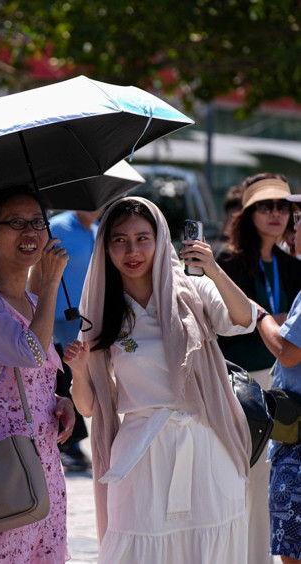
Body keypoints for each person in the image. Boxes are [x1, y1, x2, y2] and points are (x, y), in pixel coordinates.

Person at [64, 197, 255, 563]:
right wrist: (79, 369)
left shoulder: (193, 291)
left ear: (161, 239)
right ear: (105, 246)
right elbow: (90, 407)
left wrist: (213, 269)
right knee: (137, 548)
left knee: (209, 548)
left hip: (206, 446)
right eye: (119, 240)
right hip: (140, 455)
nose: (132, 250)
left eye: (142, 238)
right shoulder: (100, 310)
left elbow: (243, 318)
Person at [0, 186, 75, 563]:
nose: (31, 233)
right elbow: (31, 353)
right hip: (2, 463)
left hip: (45, 462)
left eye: (38, 223)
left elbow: (38, 379)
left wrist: (62, 401)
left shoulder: (36, 304)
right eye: (17, 223)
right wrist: (52, 278)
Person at [216, 173, 301, 564]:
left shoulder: (293, 264)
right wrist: (269, 321)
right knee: (240, 480)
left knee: (271, 485)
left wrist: (268, 321)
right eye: (266, 206)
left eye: (284, 206)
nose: (277, 214)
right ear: (248, 213)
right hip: (242, 384)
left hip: (284, 389)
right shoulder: (227, 263)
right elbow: (219, 329)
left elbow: (288, 343)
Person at [29, 208, 101, 473]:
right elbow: (37, 270)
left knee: (80, 375)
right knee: (64, 376)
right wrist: (35, 310)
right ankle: (68, 443)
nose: (94, 208)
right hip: (57, 318)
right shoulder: (57, 226)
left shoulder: (96, 230)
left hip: (84, 319)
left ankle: (72, 441)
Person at [256, 196, 301, 563]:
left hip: (298, 443)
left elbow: (288, 351)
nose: (294, 226)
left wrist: (261, 318)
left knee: (292, 551)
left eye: (299, 218)